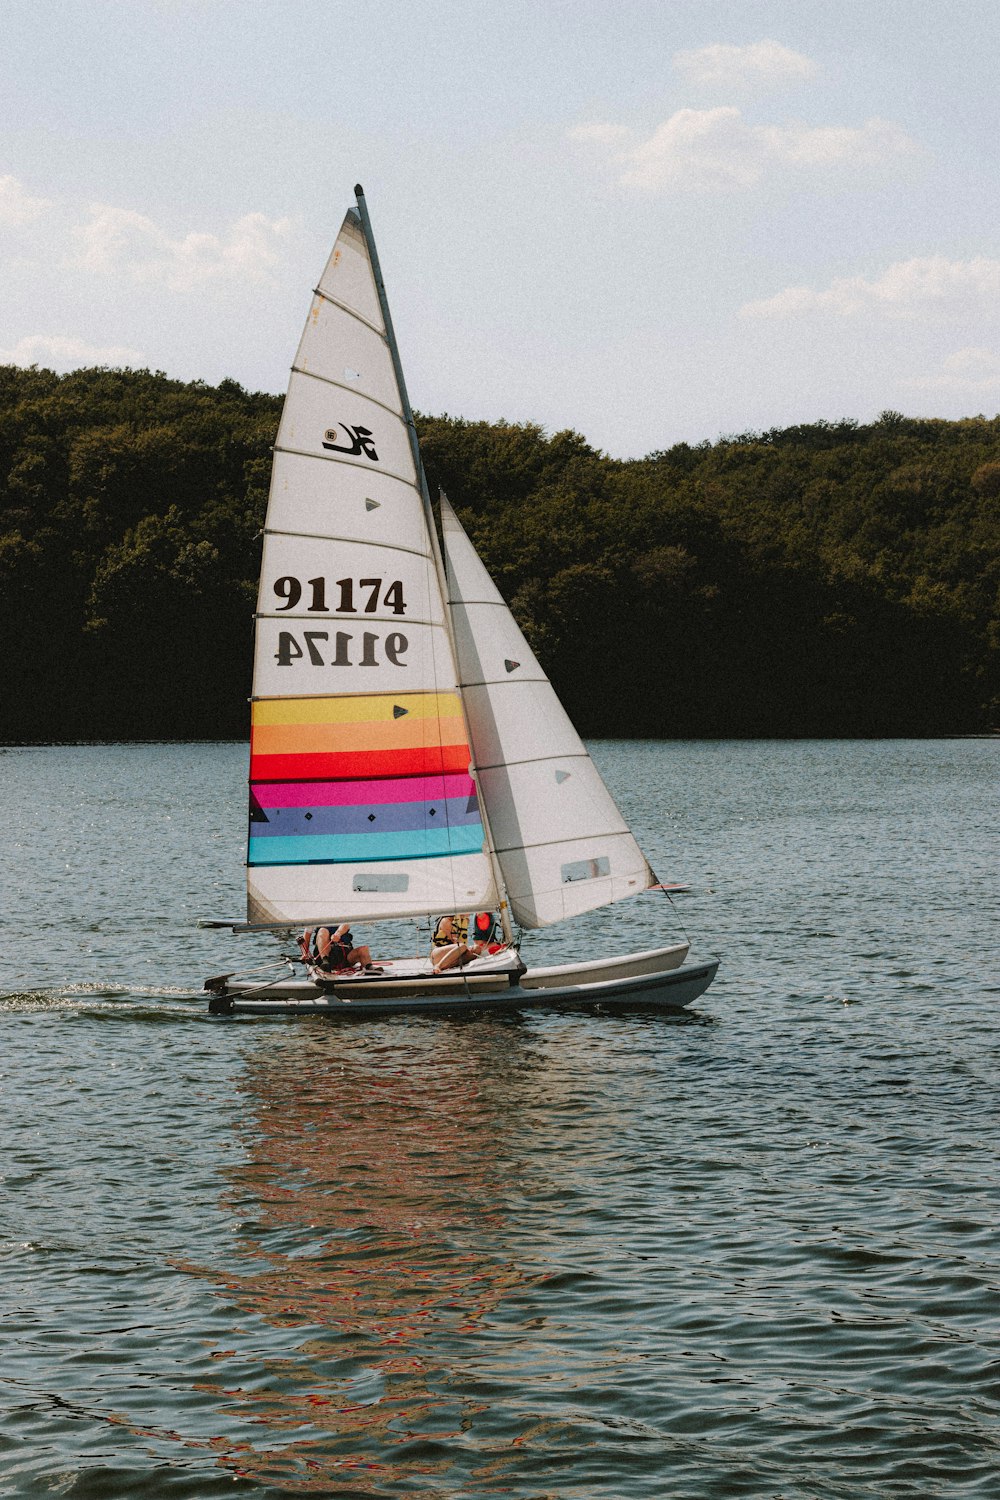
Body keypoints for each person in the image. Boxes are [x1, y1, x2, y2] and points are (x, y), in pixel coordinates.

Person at [429, 912, 500, 971]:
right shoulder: (446, 921)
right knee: (462, 946)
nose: (470, 912)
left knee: (477, 949)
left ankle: (448, 965)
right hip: (437, 955)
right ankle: (438, 966)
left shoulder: (465, 921)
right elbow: (455, 941)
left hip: (456, 952)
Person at [300, 923, 383, 974]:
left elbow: (345, 925)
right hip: (326, 954)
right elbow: (306, 935)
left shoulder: (341, 911)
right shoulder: (315, 914)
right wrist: (305, 953)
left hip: (344, 955)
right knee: (323, 931)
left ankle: (369, 967)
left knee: (363, 949)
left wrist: (338, 934)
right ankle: (325, 961)